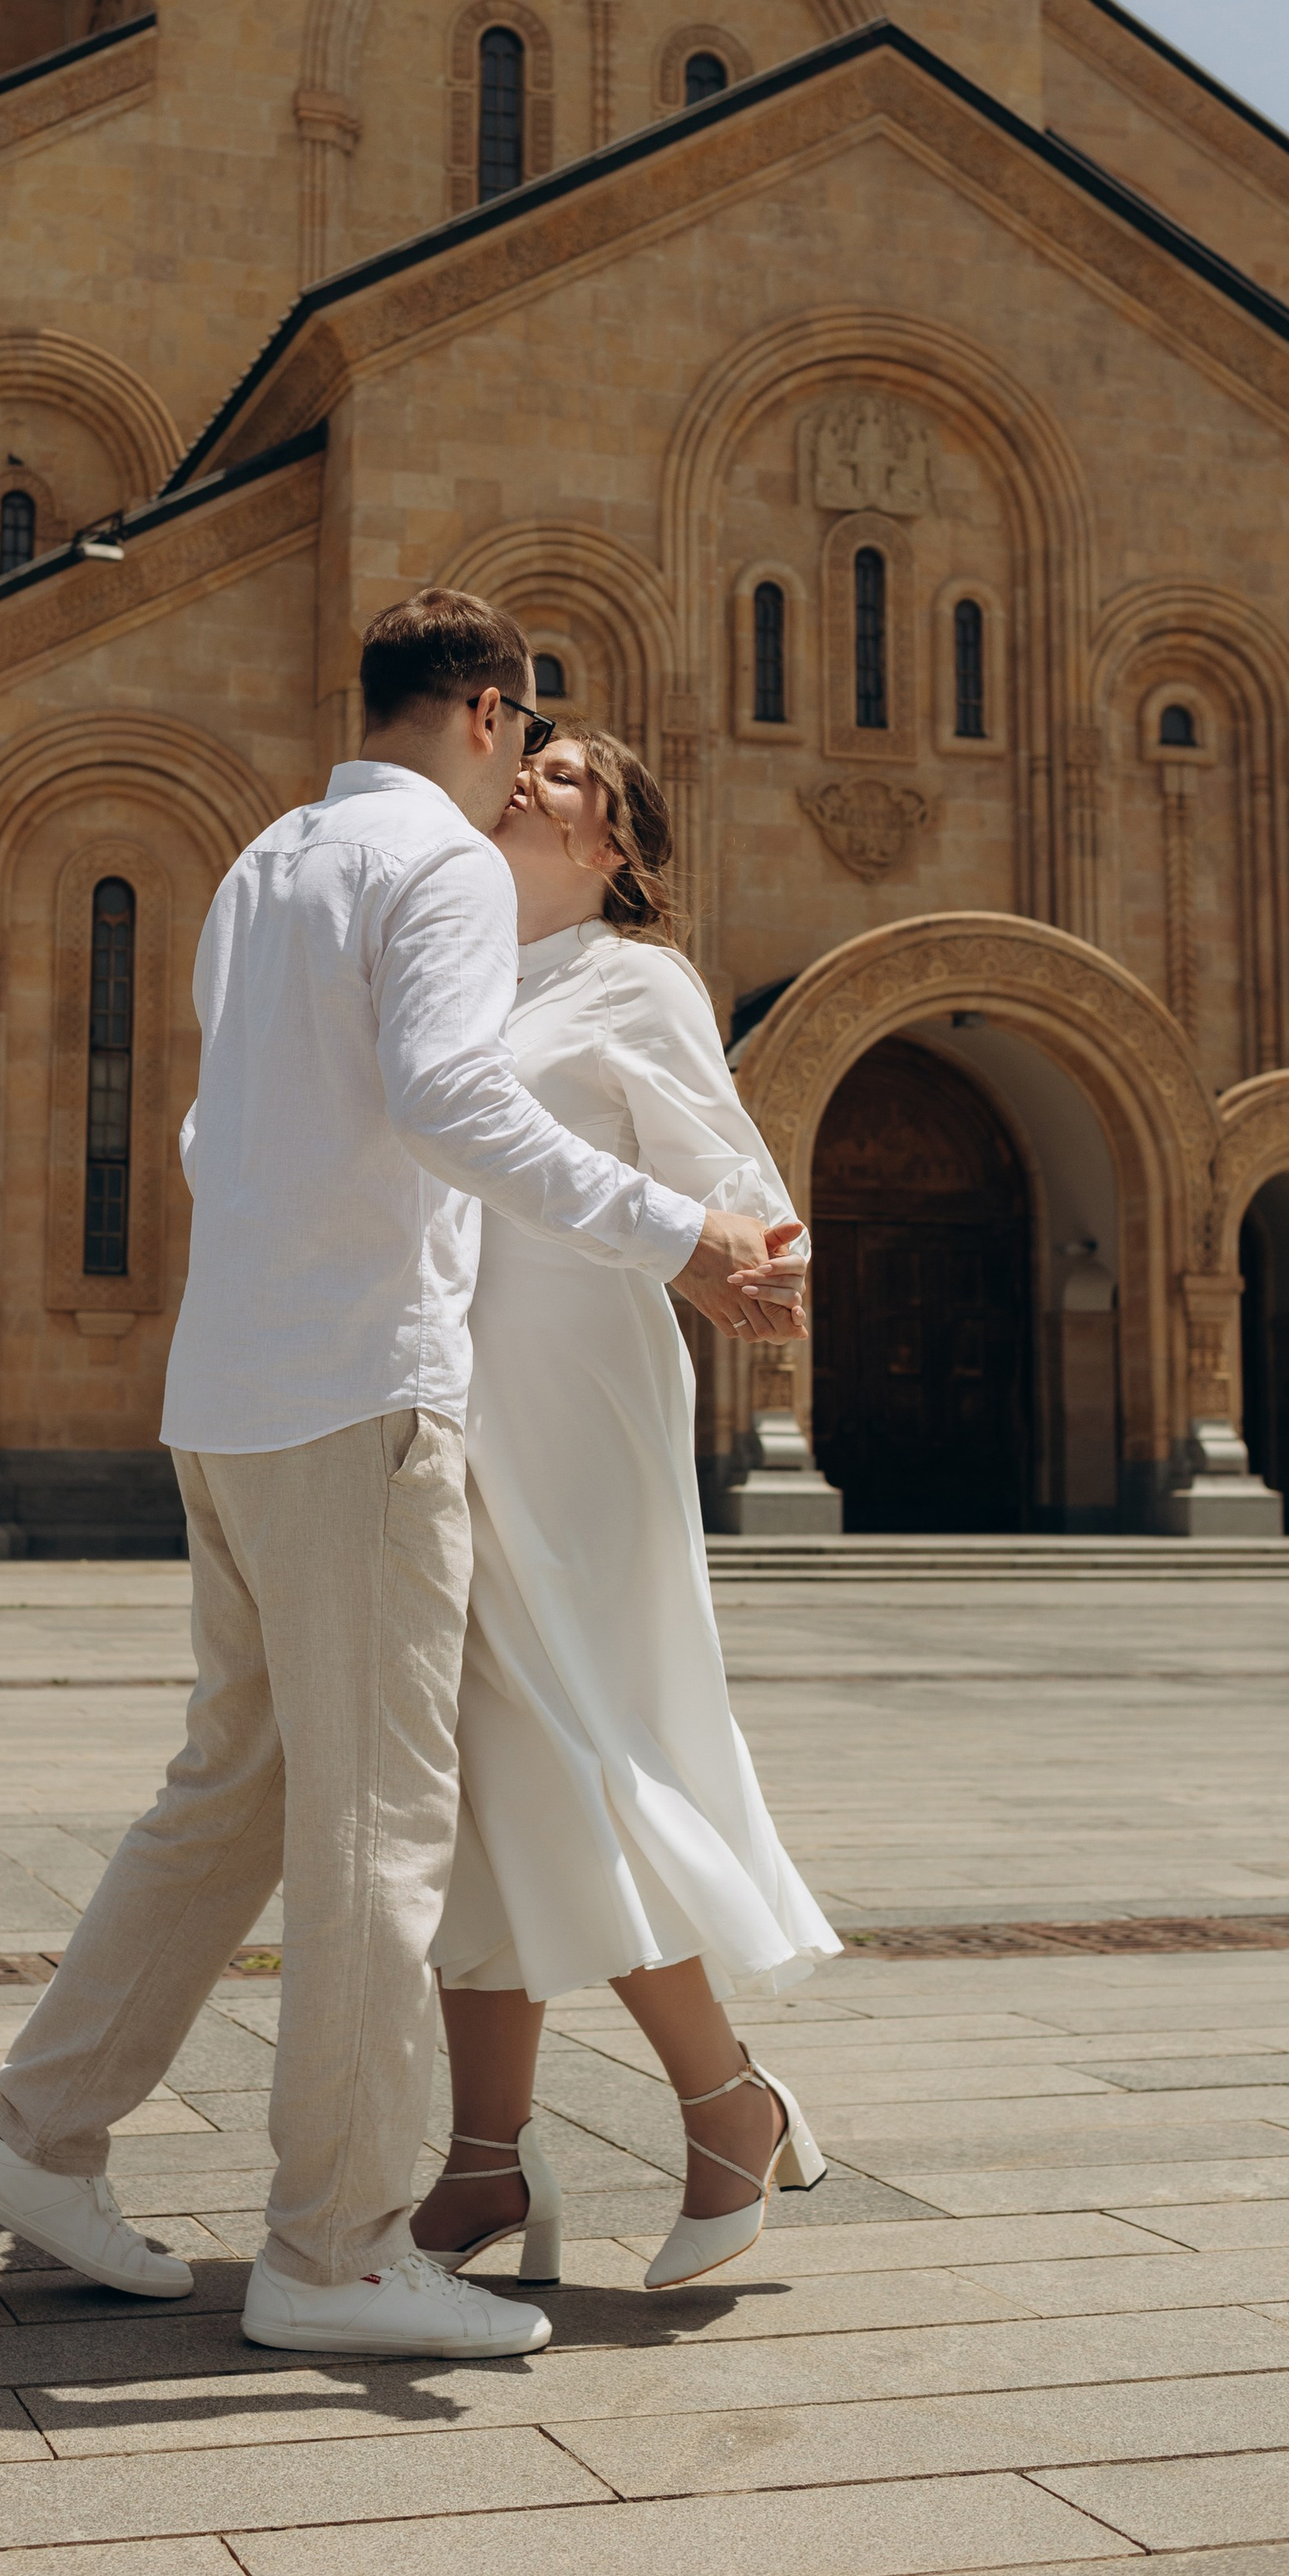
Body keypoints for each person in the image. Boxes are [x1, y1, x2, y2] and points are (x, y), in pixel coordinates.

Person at [0, 590, 804, 2362]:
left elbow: (212, 1126)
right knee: (377, 1828)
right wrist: (674, 1234)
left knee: (254, 1794)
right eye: (531, 739)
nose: (532, 781)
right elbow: (445, 1105)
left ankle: (63, 2137)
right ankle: (333, 2244)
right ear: (486, 712)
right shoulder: (446, 877)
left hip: (269, 1392)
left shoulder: (268, 861)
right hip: (371, 1397)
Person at [410, 721, 839, 2296]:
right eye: (528, 752)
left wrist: (768, 1273)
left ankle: (725, 2103)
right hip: (450, 1396)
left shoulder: (632, 978)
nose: (531, 773)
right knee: (474, 1765)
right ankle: (479, 2164)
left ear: (618, 847)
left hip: (578, 1395)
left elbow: (732, 1180)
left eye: (571, 772)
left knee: (575, 1737)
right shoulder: (453, 971)